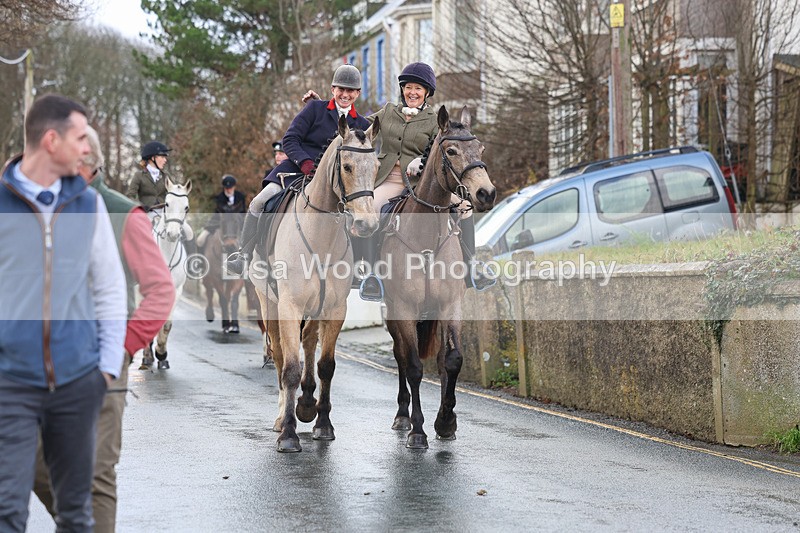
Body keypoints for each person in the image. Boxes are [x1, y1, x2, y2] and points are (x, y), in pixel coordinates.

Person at [31, 126, 176, 533]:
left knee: (95, 475)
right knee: (28, 457)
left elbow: (160, 290)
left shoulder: (122, 212)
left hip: (103, 361)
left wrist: (124, 348)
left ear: (81, 163)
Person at [0, 94, 127, 531]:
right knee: (7, 511)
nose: (87, 148)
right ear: (51, 141)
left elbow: (110, 289)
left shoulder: (87, 204)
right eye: (79, 139)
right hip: (10, 385)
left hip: (77, 383)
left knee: (76, 513)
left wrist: (105, 369)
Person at [310, 62, 495, 297]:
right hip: (390, 180)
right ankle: (370, 274)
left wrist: (422, 160)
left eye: (418, 88)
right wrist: (321, 107)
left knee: (466, 206)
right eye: (408, 87)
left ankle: (471, 266)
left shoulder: (433, 119)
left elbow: (440, 150)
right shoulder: (388, 112)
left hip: (422, 182)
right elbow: (355, 126)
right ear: (402, 90)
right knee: (370, 209)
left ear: (427, 92)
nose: (412, 93)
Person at [226, 63, 371, 275]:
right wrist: (305, 163)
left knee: (363, 216)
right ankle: (244, 255)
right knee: (259, 202)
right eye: (341, 89)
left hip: (337, 182)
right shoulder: (315, 109)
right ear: (333, 89)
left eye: (350, 90)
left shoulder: (362, 123)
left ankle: (359, 270)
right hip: (296, 170)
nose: (345, 94)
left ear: (357, 93)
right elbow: (290, 139)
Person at [196, 174, 247, 248]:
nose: (228, 190)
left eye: (230, 188)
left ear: (234, 187)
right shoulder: (219, 197)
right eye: (226, 188)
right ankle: (200, 259)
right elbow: (217, 213)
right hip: (219, 223)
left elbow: (243, 212)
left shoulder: (240, 196)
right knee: (200, 240)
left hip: (237, 224)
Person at [126, 140, 172, 210]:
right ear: (153, 158)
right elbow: (130, 196)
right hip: (146, 214)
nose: (165, 160)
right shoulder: (139, 175)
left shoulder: (166, 176)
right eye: (162, 157)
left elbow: (173, 194)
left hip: (163, 214)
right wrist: (141, 206)